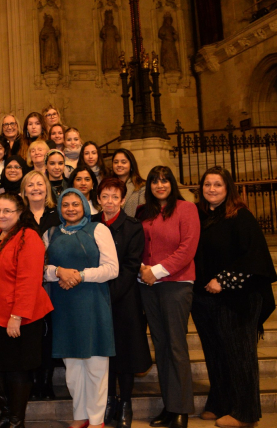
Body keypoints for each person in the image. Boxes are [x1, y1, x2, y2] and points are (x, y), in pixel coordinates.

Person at [192, 167, 277, 428]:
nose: (212, 189)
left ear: (228, 188)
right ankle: (220, 403)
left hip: (239, 298)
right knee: (216, 353)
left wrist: (224, 280)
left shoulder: (241, 217)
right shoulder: (204, 217)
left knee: (240, 355)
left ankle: (245, 413)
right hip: (206, 298)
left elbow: (254, 258)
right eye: (207, 184)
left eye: (218, 185)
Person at [0, 194, 53, 428]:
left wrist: (16, 316)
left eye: (7, 211)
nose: (1, 215)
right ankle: (6, 416)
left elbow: (29, 280)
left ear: (20, 213)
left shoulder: (28, 237)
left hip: (20, 317)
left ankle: (17, 421)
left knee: (17, 370)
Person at [43, 189, 119, 428]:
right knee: (73, 367)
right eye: (65, 205)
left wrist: (80, 275)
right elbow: (40, 269)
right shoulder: (50, 233)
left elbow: (112, 269)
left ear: (85, 206)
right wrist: (58, 272)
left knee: (96, 365)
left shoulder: (99, 229)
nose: (71, 209)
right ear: (59, 208)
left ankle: (97, 420)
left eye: (76, 204)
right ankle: (80, 415)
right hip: (63, 306)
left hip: (93, 302)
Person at [137, 166, 199, 428]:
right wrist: (142, 270)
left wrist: (157, 272)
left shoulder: (187, 209)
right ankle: (169, 406)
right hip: (147, 285)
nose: (159, 185)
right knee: (160, 346)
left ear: (172, 183)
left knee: (175, 346)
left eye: (164, 181)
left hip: (176, 284)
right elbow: (137, 245)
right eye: (154, 181)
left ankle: (182, 409)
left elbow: (187, 249)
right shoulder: (144, 212)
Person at [93, 177, 152, 428]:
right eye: (104, 196)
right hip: (95, 296)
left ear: (123, 200)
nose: (109, 201)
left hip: (124, 298)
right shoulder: (90, 224)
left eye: (114, 197)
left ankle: (126, 403)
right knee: (103, 354)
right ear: (98, 199)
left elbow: (131, 264)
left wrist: (112, 293)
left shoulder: (132, 226)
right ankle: (108, 400)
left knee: (126, 353)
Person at [19, 170, 60, 400]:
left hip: (52, 283)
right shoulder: (20, 216)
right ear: (24, 191)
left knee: (49, 333)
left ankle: (46, 381)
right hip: (27, 283)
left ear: (47, 189)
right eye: (30, 184)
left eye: (40, 184)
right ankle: (32, 381)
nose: (35, 188)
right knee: (30, 332)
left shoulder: (57, 215)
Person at [111, 149, 145, 218]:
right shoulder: (107, 185)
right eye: (116, 162)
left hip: (133, 226)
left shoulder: (141, 186)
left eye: (123, 162)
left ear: (131, 165)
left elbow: (143, 213)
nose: (119, 165)